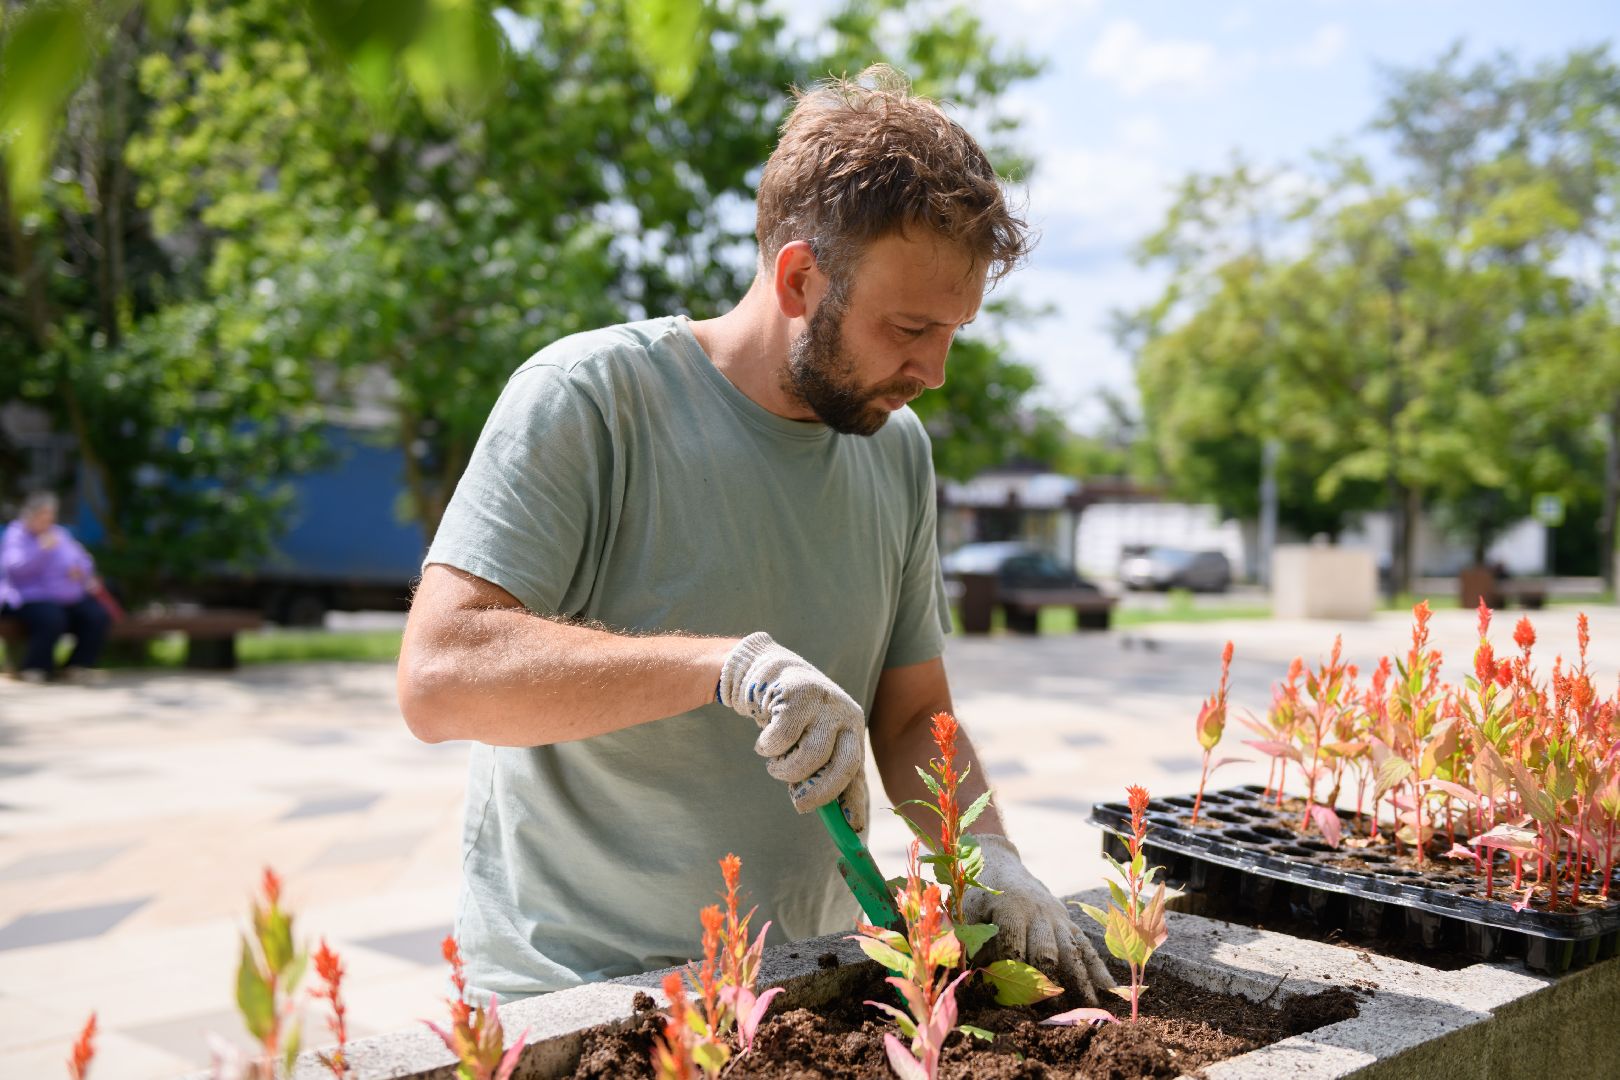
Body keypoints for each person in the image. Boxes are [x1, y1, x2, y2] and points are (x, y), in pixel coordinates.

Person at [397, 67, 1113, 1004]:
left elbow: (908, 717)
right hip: (576, 992)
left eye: (954, 330)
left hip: (799, 984)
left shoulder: (896, 449)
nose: (934, 370)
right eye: (909, 327)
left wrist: (984, 850)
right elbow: (440, 677)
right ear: (800, 278)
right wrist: (728, 668)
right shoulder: (590, 399)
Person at [0, 492, 111, 684]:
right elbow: (15, 569)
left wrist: (80, 570)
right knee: (51, 618)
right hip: (26, 597)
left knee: (96, 615)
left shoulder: (59, 533)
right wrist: (41, 550)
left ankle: (77, 666)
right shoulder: (16, 534)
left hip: (65, 596)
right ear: (30, 515)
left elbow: (82, 558)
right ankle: (35, 667)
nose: (47, 522)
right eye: (42, 517)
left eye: (50, 517)